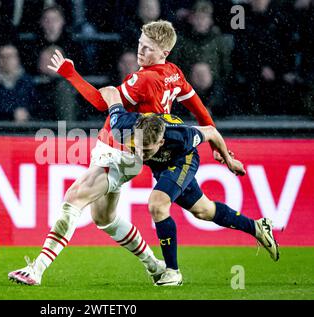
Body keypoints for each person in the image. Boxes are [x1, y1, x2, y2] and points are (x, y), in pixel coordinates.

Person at [8, 20, 226, 286]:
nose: (140, 52)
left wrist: (71, 75)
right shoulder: (173, 73)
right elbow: (198, 107)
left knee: (74, 198)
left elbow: (102, 101)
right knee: (104, 218)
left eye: (147, 48)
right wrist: (214, 137)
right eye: (140, 45)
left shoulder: (142, 78)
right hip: (124, 149)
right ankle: (155, 266)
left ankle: (36, 270)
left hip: (120, 149)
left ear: (163, 52)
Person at [100, 86, 280, 285]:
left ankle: (172, 272)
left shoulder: (180, 136)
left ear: (161, 142)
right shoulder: (123, 127)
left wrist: (228, 160)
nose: (140, 155)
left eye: (147, 150)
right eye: (139, 147)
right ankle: (256, 227)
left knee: (157, 204)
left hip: (182, 160)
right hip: (161, 167)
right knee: (204, 211)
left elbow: (211, 132)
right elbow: (110, 92)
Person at [0, 44, 36, 122]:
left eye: (10, 56)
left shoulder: (28, 81)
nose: (6, 60)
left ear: (17, 59)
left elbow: (36, 106)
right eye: (2, 57)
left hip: (26, 127)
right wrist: (11, 114)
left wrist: (26, 113)